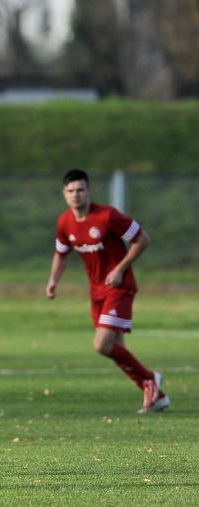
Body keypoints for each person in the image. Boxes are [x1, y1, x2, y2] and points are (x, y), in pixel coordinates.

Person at [46, 169, 169, 414]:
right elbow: (61, 254)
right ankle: (156, 396)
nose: (76, 195)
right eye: (71, 191)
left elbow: (142, 239)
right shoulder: (65, 222)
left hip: (119, 287)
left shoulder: (107, 216)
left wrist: (120, 268)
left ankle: (149, 379)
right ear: (64, 194)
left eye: (80, 190)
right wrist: (53, 281)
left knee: (102, 344)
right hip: (97, 291)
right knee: (117, 348)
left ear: (88, 191)